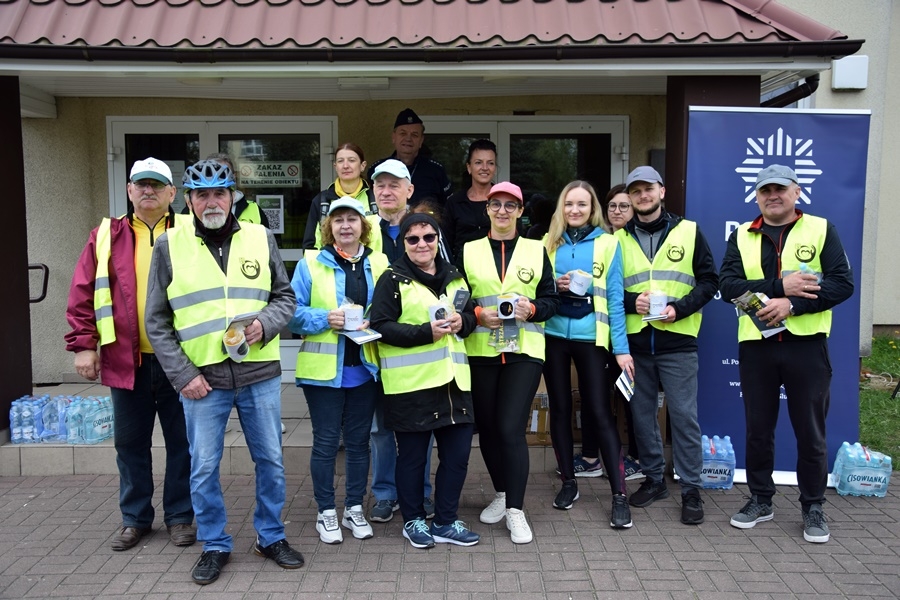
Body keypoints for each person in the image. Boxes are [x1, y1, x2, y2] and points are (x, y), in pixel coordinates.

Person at [145, 159, 303, 585]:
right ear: (189, 199)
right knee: (203, 467)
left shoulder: (260, 236)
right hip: (202, 381)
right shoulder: (169, 245)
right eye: (201, 194)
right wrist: (182, 375)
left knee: (270, 460)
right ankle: (215, 544)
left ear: (233, 195)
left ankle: (270, 537)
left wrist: (264, 324)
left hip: (260, 373)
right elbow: (156, 321)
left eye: (219, 192)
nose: (211, 201)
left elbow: (284, 298)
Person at [65, 157, 195, 552]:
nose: (148, 191)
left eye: (157, 185)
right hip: (127, 360)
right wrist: (84, 344)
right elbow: (82, 292)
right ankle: (135, 518)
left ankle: (180, 517)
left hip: (182, 360)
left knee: (183, 443)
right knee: (130, 444)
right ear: (129, 190)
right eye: (141, 184)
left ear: (173, 194)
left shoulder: (192, 231)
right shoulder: (106, 234)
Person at [719, 164, 853, 544]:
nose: (772, 196)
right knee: (758, 429)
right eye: (765, 191)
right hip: (757, 346)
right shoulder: (742, 235)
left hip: (806, 346)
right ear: (757, 196)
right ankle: (761, 499)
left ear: (796, 192)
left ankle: (813, 506)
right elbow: (728, 285)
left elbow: (843, 284)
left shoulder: (821, 229)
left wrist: (792, 305)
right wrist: (780, 286)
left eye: (779, 189)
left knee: (810, 432)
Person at [370, 212, 480, 549]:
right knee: (413, 459)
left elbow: (470, 312)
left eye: (428, 237)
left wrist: (465, 321)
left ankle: (446, 521)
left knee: (458, 456)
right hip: (411, 386)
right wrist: (424, 333)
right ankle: (414, 520)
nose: (422, 244)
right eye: (413, 239)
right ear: (402, 243)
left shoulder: (455, 276)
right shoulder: (392, 279)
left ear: (438, 240)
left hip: (453, 384)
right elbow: (381, 326)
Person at [616, 166, 718, 525]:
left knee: (684, 417)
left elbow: (709, 281)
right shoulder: (619, 239)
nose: (643, 196)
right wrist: (633, 303)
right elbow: (612, 292)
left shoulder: (688, 231)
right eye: (636, 191)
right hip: (636, 346)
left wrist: (679, 309)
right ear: (629, 197)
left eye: (648, 189)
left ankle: (691, 488)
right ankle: (655, 479)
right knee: (642, 418)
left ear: (661, 191)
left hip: (678, 343)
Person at [459, 181, 559, 544]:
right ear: (487, 209)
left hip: (524, 351)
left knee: (510, 428)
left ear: (520, 211)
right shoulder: (468, 250)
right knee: (487, 428)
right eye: (495, 205)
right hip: (482, 349)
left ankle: (516, 510)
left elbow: (550, 301)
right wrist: (477, 312)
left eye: (510, 205)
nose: (502, 211)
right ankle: (501, 493)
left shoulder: (536, 249)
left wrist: (531, 309)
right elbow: (457, 299)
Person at [289, 197, 388, 544]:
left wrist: (380, 318)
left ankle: (354, 509)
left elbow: (392, 308)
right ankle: (326, 512)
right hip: (323, 371)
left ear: (364, 226)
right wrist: (323, 318)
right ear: (328, 227)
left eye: (353, 219)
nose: (346, 226)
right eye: (338, 220)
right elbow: (290, 311)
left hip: (365, 367)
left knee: (360, 444)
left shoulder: (380, 261)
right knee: (327, 443)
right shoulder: (311, 262)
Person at [543, 181, 635, 528]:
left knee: (599, 413)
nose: (575, 210)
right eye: (569, 204)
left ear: (592, 207)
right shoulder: (547, 243)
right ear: (561, 208)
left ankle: (619, 495)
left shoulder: (609, 243)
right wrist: (556, 285)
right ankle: (569, 481)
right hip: (553, 336)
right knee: (561, 409)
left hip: (592, 339)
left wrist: (622, 350)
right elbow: (537, 290)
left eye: (582, 204)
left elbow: (615, 298)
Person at [366, 159, 436, 523]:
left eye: (394, 184)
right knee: (380, 428)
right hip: (375, 348)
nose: (386, 191)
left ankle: (420, 494)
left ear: (409, 190)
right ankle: (384, 493)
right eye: (380, 185)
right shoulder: (363, 230)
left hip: (419, 349)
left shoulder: (425, 231)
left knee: (420, 426)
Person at [367, 107, 452, 208]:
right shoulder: (377, 169)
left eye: (414, 135)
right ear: (394, 137)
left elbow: (448, 209)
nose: (408, 138)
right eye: (403, 133)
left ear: (421, 140)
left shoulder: (436, 171)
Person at [302, 142, 373, 249]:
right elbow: (309, 245)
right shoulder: (321, 201)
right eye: (340, 161)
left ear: (362, 166)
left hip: (370, 264)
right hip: (328, 264)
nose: (345, 166)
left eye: (351, 160)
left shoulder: (375, 199)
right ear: (335, 166)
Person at [183, 152, 270, 228]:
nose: (212, 204)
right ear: (189, 202)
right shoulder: (186, 213)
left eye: (219, 194)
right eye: (202, 195)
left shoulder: (254, 209)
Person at [443, 139, 496, 259]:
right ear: (469, 167)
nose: (485, 167)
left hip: (499, 272)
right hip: (462, 272)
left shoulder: (505, 201)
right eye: (478, 162)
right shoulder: (454, 203)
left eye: (490, 163)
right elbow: (446, 244)